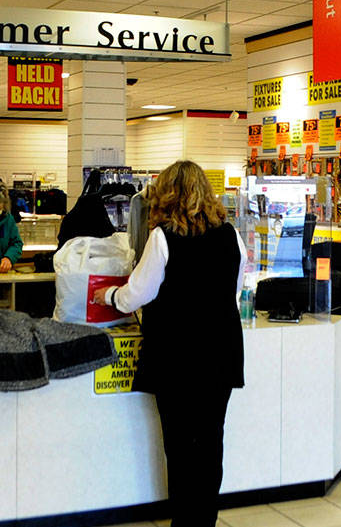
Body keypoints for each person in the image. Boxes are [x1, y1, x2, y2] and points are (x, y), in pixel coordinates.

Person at [90, 160, 246, 527]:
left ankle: (184, 521)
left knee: (178, 445)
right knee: (210, 443)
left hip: (176, 355)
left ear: (167, 195)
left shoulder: (163, 238)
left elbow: (136, 295)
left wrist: (108, 295)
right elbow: (235, 292)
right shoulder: (230, 234)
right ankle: (204, 520)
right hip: (221, 353)